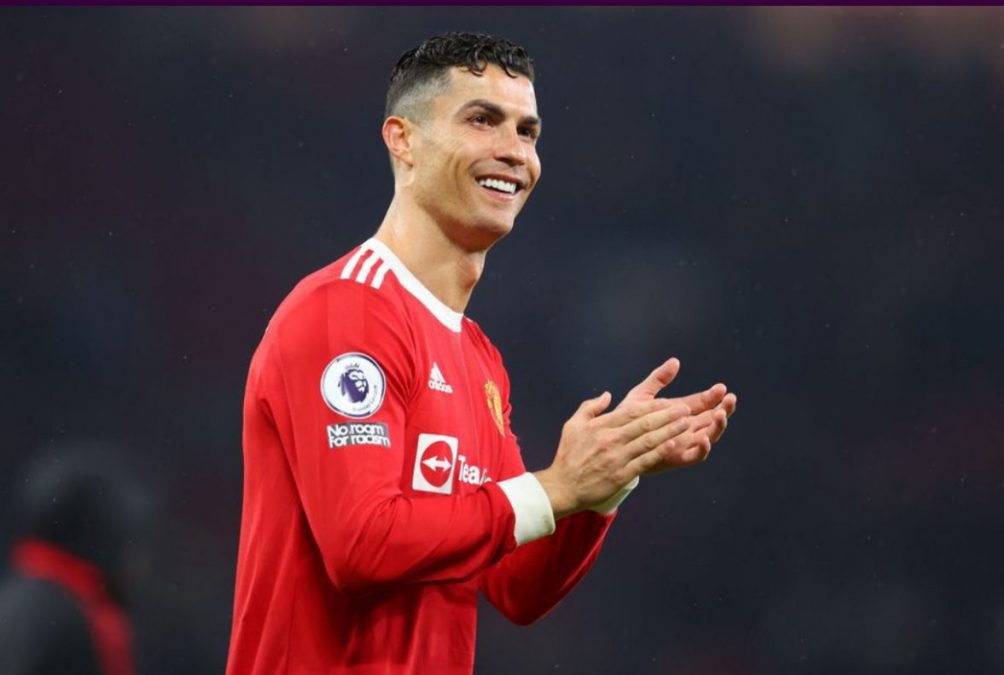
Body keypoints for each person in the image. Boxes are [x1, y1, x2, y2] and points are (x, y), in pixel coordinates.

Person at [225, 32, 737, 675]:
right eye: (481, 120)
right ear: (403, 140)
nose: (514, 151)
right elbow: (361, 544)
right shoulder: (345, 312)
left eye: (528, 131)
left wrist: (602, 483)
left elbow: (517, 586)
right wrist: (556, 485)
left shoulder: (477, 358)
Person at [0, 445, 152, 675]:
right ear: (105, 540)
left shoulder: (25, 600)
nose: (141, 564)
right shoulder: (62, 619)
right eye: (131, 543)